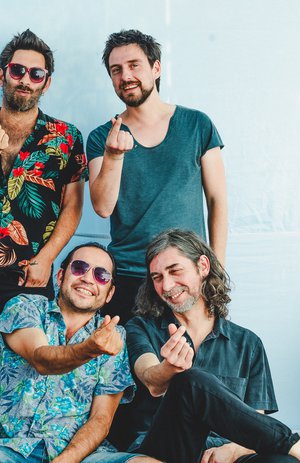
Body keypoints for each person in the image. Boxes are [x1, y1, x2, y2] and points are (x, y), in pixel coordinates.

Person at [100, 229, 300, 463]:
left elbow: (256, 425)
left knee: (283, 461)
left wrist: (232, 451)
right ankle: (295, 445)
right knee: (189, 381)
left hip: (223, 454)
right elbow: (149, 377)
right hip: (165, 451)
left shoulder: (248, 344)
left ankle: (291, 449)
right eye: (157, 277)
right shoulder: (139, 327)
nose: (166, 285)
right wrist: (168, 369)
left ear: (203, 266)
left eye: (175, 271)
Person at [0, 242, 139, 463]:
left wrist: (66, 460)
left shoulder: (113, 335)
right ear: (60, 276)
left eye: (101, 275)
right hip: (10, 450)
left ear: (110, 293)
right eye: (79, 268)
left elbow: (101, 419)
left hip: (80, 454)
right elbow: (42, 360)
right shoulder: (25, 307)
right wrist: (90, 349)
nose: (88, 279)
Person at [86, 30, 227, 324]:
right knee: (128, 354)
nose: (126, 76)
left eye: (134, 65)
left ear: (156, 68)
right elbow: (102, 207)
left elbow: (217, 201)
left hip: (187, 275)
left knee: (191, 354)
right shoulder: (102, 137)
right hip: (128, 277)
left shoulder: (197, 124)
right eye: (116, 70)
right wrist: (114, 156)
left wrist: (215, 270)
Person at [0, 29, 88, 321]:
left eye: (36, 74)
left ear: (46, 83)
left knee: (30, 351)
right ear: (2, 75)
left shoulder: (67, 137)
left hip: (30, 275)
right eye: (17, 70)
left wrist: (47, 258)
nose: (25, 80)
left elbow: (73, 205)